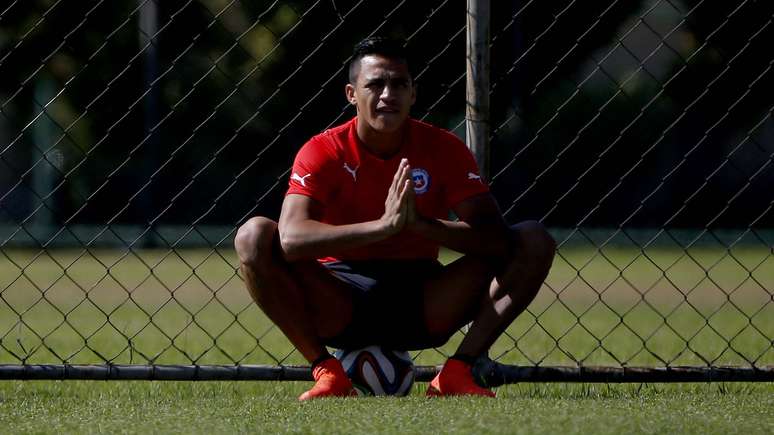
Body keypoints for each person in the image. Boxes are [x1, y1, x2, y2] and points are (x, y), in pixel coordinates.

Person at [234, 36, 555, 400]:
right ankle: (328, 373)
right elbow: (290, 240)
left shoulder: (444, 148)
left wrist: (420, 226)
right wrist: (381, 227)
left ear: (413, 94)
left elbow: (496, 240)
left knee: (533, 239)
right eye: (375, 84)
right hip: (340, 298)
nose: (389, 94)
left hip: (422, 300)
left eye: (400, 84)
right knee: (253, 236)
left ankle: (458, 370)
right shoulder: (323, 149)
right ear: (352, 94)